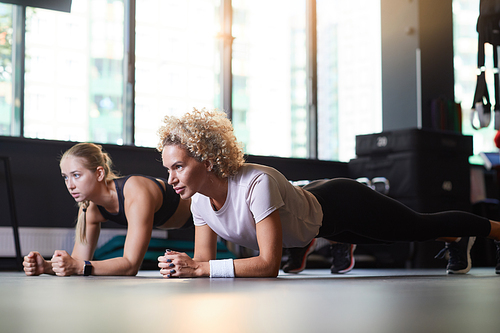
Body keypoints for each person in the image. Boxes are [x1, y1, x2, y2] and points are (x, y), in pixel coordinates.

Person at [157, 108, 500, 278]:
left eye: (178, 167)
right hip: (318, 220)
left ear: (208, 160)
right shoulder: (199, 201)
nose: (171, 178)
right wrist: (183, 266)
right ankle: (327, 241)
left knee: (417, 229)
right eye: (167, 169)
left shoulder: (256, 182)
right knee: (381, 238)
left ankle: (492, 232)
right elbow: (203, 262)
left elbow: (267, 264)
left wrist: (200, 270)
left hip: (342, 203)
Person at [23, 142, 192, 276]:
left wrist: (78, 266)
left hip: (204, 212)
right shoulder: (90, 208)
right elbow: (78, 261)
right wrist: (46, 266)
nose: (70, 185)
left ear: (99, 174)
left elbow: (131, 265)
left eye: (76, 175)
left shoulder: (135, 191)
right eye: (65, 177)